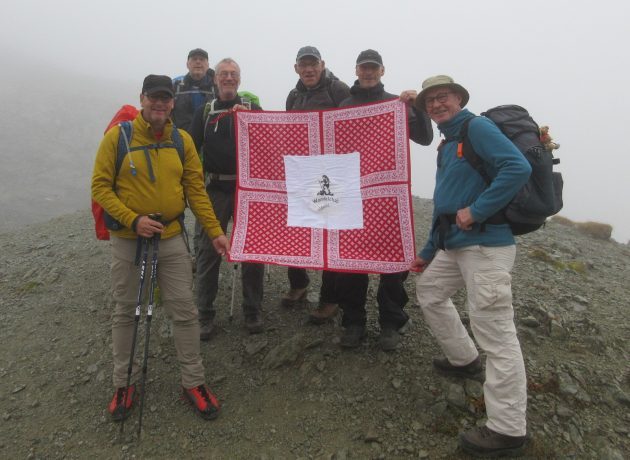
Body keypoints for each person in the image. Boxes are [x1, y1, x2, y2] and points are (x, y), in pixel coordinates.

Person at [92, 74, 230, 421]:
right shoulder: (117, 139)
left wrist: (214, 231)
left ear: (173, 103)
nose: (160, 104)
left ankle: (193, 382)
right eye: (154, 97)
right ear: (142, 99)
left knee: (184, 311)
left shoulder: (181, 141)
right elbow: (100, 187)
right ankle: (123, 384)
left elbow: (196, 190)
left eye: (166, 98)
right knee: (126, 311)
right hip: (128, 240)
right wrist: (132, 220)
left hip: (170, 238)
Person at [409, 75, 531, 457]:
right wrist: (427, 251)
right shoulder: (447, 144)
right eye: (429, 102)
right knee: (429, 292)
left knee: (496, 334)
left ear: (459, 98)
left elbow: (517, 167)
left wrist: (477, 210)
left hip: (485, 244)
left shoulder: (477, 127)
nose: (435, 106)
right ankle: (463, 358)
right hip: (455, 244)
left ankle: (508, 430)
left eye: (442, 98)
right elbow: (445, 204)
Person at [334, 49, 433, 350]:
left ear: (382, 71)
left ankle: (391, 322)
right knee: (351, 263)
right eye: (364, 67)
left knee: (393, 261)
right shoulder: (344, 105)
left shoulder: (397, 103)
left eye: (373, 68)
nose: (368, 72)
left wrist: (416, 108)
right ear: (356, 69)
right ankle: (353, 322)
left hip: (388, 195)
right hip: (352, 195)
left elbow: (425, 138)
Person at [190, 58, 265, 339]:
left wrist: (249, 119)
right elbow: (190, 150)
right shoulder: (204, 112)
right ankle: (204, 313)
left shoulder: (252, 109)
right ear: (215, 79)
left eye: (233, 74)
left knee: (253, 251)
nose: (229, 78)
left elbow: (268, 144)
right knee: (208, 251)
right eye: (224, 74)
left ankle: (252, 309)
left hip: (249, 191)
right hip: (215, 188)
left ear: (240, 80)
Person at [283, 45, 351, 324]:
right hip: (302, 173)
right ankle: (298, 284)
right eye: (303, 64)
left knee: (330, 235)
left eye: (313, 64)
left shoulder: (339, 89)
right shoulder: (293, 95)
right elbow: (288, 129)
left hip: (332, 176)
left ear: (322, 64)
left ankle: (330, 299)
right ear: (296, 67)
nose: (309, 69)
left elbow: (355, 123)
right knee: (295, 227)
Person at [172, 48, 217, 132]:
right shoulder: (175, 86)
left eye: (202, 59)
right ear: (187, 64)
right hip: (180, 139)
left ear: (207, 65)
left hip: (208, 139)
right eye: (194, 59)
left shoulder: (217, 87)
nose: (198, 62)